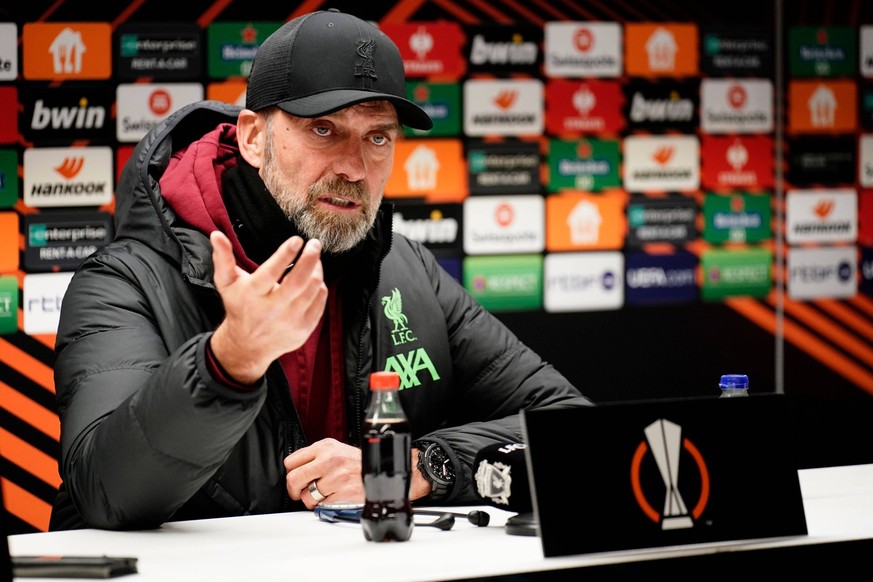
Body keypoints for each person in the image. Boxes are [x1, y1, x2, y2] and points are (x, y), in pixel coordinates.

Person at [49, 9, 591, 531]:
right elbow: (105, 492)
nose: (354, 168)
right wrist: (227, 364)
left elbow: (577, 426)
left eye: (377, 137)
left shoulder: (407, 269)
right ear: (253, 137)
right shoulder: (125, 281)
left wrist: (412, 469)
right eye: (324, 131)